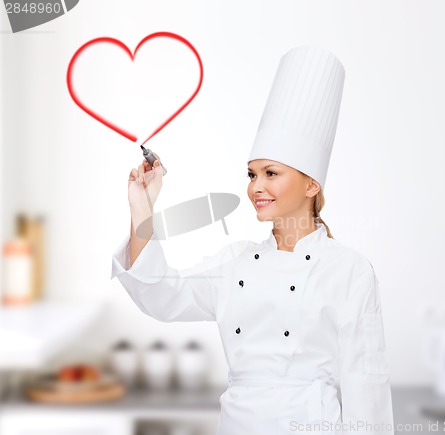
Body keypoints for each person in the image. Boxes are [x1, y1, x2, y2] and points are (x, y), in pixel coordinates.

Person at [112, 46, 394, 435]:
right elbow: (159, 294)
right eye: (251, 174)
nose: (256, 187)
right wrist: (142, 205)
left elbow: (368, 387)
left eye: (271, 173)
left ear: (312, 183)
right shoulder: (236, 263)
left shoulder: (349, 270)